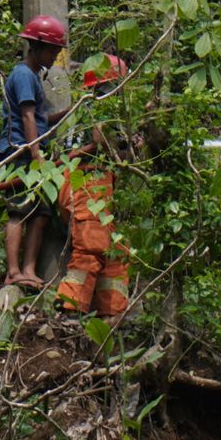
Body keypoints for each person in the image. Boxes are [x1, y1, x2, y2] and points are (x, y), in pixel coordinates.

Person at [56, 53, 132, 317]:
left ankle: (110, 312)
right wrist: (127, 146)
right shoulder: (99, 106)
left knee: (115, 250)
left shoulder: (88, 106)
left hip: (96, 183)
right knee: (92, 245)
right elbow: (103, 141)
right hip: (85, 181)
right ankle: (70, 307)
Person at [0, 15, 67, 288]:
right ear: (36, 47)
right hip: (21, 154)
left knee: (40, 214)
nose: (54, 57)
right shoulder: (24, 75)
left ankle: (29, 269)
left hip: (34, 152)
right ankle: (13, 270)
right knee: (19, 211)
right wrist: (35, 153)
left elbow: (39, 120)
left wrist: (66, 113)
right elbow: (27, 117)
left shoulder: (35, 77)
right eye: (52, 51)